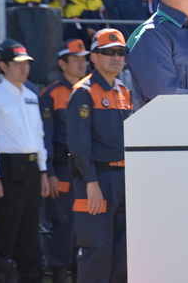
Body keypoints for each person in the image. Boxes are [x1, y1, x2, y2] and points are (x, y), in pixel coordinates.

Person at [0, 42, 50, 283]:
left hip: (30, 168)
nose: (24, 69)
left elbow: (39, 135)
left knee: (29, 231)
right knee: (5, 232)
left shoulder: (31, 96)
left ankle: (28, 278)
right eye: (18, 64)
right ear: (3, 66)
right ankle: (1, 277)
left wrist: (42, 171)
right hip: (7, 169)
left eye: (26, 64)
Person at [67, 29, 132, 283]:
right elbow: (78, 144)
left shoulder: (124, 91)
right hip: (97, 181)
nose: (115, 57)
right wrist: (91, 183)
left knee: (123, 255)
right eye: (108, 52)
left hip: (124, 178)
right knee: (96, 251)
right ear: (93, 57)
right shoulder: (84, 91)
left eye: (120, 52)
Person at [40, 39, 89, 283]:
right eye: (77, 59)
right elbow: (45, 138)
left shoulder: (88, 90)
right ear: (62, 63)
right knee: (63, 226)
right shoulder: (51, 94)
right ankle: (59, 275)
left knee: (84, 227)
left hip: (85, 171)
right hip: (61, 171)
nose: (83, 63)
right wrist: (48, 173)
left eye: (84, 59)